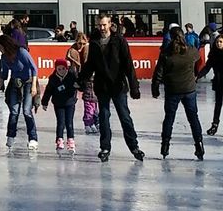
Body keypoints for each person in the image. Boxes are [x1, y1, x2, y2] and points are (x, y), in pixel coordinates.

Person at [81, 13, 145, 163]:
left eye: (104, 24)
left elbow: (128, 64)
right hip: (102, 85)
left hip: (118, 85)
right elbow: (90, 64)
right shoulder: (95, 41)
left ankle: (134, 146)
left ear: (110, 24)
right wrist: (81, 80)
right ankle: (105, 148)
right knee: (103, 117)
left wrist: (134, 86)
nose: (102, 28)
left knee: (124, 117)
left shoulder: (119, 40)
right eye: (99, 25)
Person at [152, 32, 204, 160]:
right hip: (189, 89)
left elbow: (159, 72)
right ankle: (199, 145)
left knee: (169, 119)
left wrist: (155, 88)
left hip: (173, 90)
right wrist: (195, 74)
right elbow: (199, 59)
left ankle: (165, 146)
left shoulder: (166, 52)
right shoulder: (191, 50)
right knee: (193, 119)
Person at [0, 34, 40, 152]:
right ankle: (11, 136)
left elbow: (34, 68)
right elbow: (4, 73)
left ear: (5, 45)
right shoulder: (4, 57)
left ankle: (33, 138)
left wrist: (34, 87)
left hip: (28, 82)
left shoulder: (21, 52)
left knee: (26, 111)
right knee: (14, 111)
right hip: (15, 83)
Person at [41, 57, 79, 153]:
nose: (61, 71)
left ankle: (70, 140)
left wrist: (79, 86)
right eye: (59, 69)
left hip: (70, 103)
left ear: (66, 68)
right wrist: (44, 102)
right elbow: (48, 91)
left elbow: (80, 85)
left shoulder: (71, 76)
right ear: (56, 69)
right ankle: (59, 139)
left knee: (69, 123)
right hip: (58, 104)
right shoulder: (53, 78)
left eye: (63, 69)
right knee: (61, 122)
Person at [197, 31, 223, 135]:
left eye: (221, 42)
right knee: (218, 105)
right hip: (219, 83)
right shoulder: (213, 54)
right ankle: (215, 125)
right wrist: (197, 76)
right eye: (217, 42)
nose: (219, 44)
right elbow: (207, 68)